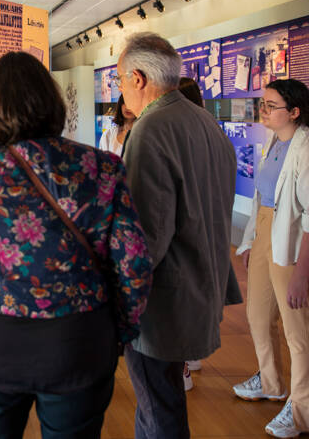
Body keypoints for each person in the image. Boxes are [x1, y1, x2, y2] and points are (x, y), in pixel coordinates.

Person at [0, 51, 153, 439]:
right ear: (53, 102)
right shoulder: (101, 167)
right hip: (80, 338)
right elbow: (134, 266)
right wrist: (121, 330)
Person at [117, 32, 237, 438]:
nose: (121, 92)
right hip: (199, 287)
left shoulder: (149, 130)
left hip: (161, 304)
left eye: (118, 81)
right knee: (160, 401)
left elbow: (145, 238)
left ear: (137, 78)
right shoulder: (206, 122)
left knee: (159, 405)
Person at [233, 79, 309, 438]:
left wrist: (301, 275)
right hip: (265, 232)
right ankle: (271, 381)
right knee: (258, 315)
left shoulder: (305, 148)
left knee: (298, 331)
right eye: (262, 104)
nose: (263, 110)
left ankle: (301, 410)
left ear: (294, 112)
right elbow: (261, 197)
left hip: (292, 241)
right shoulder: (273, 142)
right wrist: (249, 242)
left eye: (271, 105)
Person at [177, 77, 244, 380]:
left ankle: (185, 367)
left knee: (186, 295)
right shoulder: (217, 136)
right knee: (203, 291)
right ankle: (193, 356)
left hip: (191, 229)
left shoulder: (184, 138)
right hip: (214, 228)